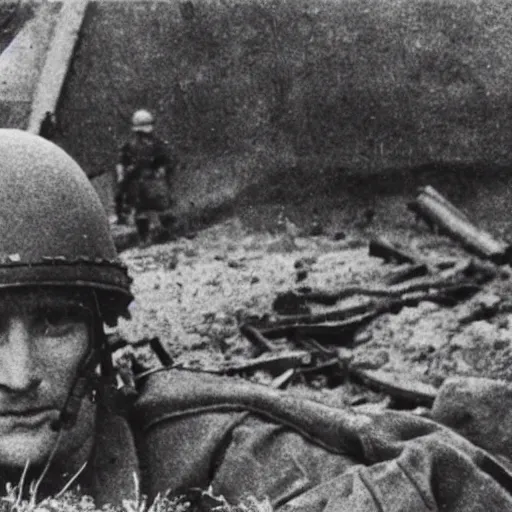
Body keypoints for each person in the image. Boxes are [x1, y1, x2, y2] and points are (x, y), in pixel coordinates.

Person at [2, 129, 512, 511]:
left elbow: (431, 486)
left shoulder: (209, 447)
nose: (18, 376)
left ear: (99, 341)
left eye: (55, 324)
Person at [115, 109, 177, 244]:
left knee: (159, 207)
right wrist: (122, 175)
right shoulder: (129, 145)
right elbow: (121, 161)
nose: (144, 136)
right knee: (141, 210)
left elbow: (165, 160)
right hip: (137, 181)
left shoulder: (157, 143)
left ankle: (163, 233)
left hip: (152, 180)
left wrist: (161, 171)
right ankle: (144, 238)